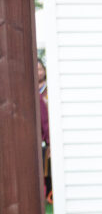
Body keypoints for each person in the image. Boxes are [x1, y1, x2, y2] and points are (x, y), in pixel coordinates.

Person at [38, 57, 52, 202]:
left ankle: (50, 196)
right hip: (37, 137)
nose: (38, 72)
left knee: (49, 169)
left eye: (40, 69)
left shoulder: (48, 90)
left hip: (49, 135)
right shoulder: (30, 90)